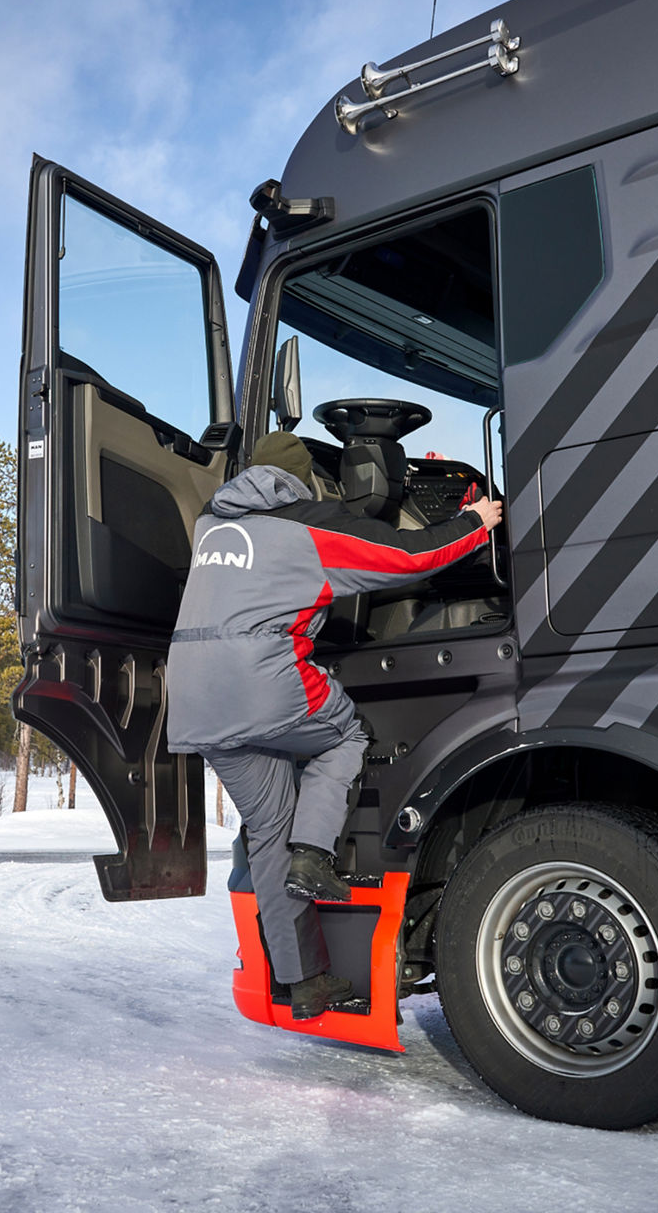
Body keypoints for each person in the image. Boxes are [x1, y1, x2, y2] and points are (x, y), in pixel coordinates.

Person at [166, 431, 502, 1020]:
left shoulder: (210, 528)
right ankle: (313, 856)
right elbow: (406, 557)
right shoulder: (304, 524)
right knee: (344, 735)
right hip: (263, 683)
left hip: (194, 699)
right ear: (301, 480)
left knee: (267, 828)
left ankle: (305, 983)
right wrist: (473, 521)